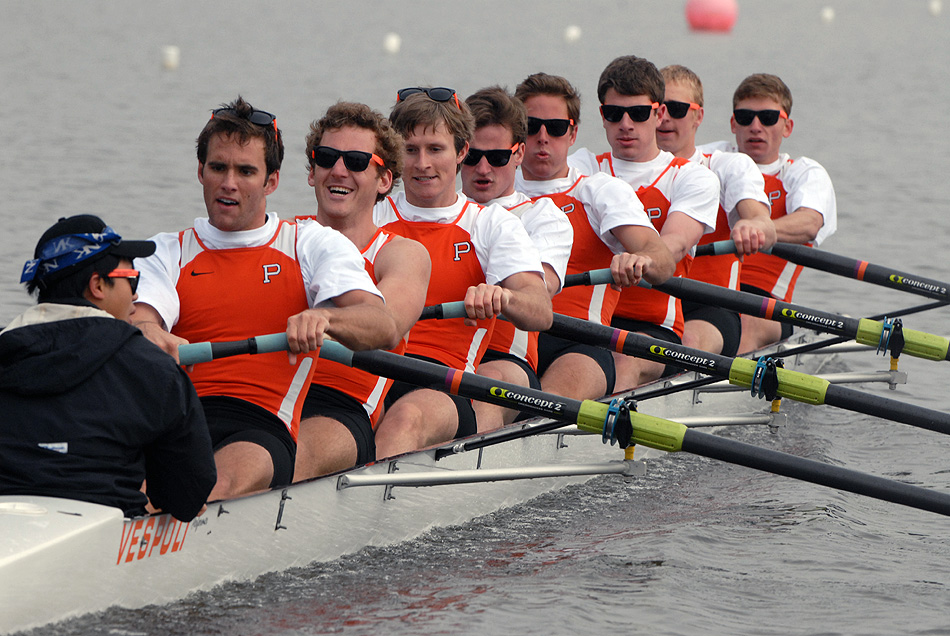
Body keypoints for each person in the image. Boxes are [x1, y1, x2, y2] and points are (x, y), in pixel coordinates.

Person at [133, 97, 397, 500]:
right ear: (200, 172)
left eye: (246, 171)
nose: (229, 183)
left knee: (210, 486)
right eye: (218, 168)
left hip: (259, 426)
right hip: (178, 420)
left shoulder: (308, 245)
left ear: (271, 181)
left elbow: (380, 324)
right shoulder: (166, 252)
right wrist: (146, 332)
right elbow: (142, 317)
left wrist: (325, 321)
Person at [0, 215, 216, 522]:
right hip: (104, 534)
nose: (137, 294)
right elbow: (187, 498)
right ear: (98, 285)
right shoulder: (152, 368)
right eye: (132, 279)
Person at [373, 87, 551, 458]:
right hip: (368, 368)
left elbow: (539, 310)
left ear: (461, 152)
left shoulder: (490, 225)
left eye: (435, 149)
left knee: (405, 418)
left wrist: (503, 296)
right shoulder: (371, 215)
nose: (422, 163)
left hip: (446, 380)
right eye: (410, 150)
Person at [514, 72, 676, 401]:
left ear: (572, 133)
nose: (543, 137)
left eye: (556, 128)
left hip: (579, 344)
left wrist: (640, 260)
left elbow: (660, 258)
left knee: (539, 406)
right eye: (532, 127)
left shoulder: (599, 190)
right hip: (507, 346)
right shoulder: (494, 195)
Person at [294, 102, 431, 480]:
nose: (339, 170)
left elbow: (387, 328)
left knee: (286, 455)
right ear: (312, 171)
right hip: (260, 397)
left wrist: (326, 320)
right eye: (326, 157)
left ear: (384, 180)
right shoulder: (285, 237)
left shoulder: (401, 254)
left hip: (340, 405)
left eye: (356, 161)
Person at [569, 56, 719, 391]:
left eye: (637, 113)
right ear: (602, 117)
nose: (625, 124)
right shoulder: (579, 168)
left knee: (620, 358)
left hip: (652, 327)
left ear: (659, 113)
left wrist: (643, 258)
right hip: (582, 324)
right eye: (614, 114)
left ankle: (591, 439)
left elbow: (676, 243)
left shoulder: (690, 178)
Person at [460, 86, 573, 431]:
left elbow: (541, 291)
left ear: (519, 153)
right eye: (471, 156)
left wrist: (503, 294)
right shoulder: (435, 215)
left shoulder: (543, 217)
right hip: (434, 356)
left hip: (504, 359)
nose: (482, 168)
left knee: (481, 388)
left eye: (496, 158)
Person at [700, 73, 837, 353]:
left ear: (787, 127)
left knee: (744, 319)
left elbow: (810, 223)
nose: (755, 126)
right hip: (703, 293)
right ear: (732, 124)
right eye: (745, 117)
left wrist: (761, 230)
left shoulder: (802, 173)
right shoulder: (709, 160)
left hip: (765, 302)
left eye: (768, 118)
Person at [655, 64, 776, 357]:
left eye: (678, 109)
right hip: (646, 308)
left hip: (710, 307)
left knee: (686, 344)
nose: (665, 118)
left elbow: (763, 222)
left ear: (698, 116)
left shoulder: (726, 166)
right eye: (658, 108)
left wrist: (753, 226)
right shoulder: (618, 174)